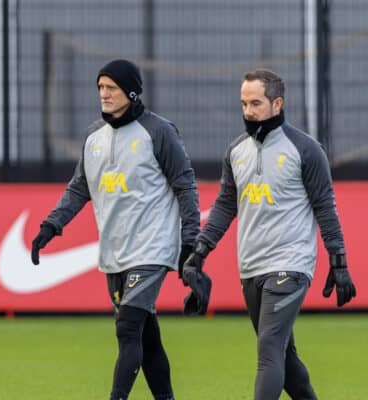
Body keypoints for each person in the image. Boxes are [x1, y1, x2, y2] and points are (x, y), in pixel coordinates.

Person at [182, 68, 356, 400]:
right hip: (251, 267)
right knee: (284, 357)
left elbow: (325, 208)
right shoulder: (235, 151)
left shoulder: (306, 150)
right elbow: (224, 206)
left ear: (277, 103)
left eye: (256, 103)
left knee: (269, 348)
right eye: (244, 104)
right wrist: (201, 250)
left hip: (291, 265)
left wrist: (339, 262)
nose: (248, 111)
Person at [31, 59, 200, 400]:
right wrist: (51, 225)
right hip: (114, 252)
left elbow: (185, 186)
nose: (103, 94)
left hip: (151, 249)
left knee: (127, 328)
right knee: (145, 336)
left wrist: (190, 240)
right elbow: (80, 188)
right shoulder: (94, 136)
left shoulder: (159, 131)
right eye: (100, 88)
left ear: (132, 91)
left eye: (111, 88)